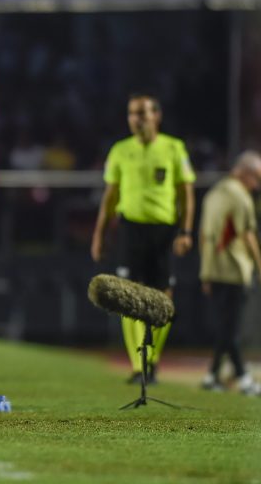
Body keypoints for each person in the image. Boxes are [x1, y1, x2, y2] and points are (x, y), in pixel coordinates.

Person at [91, 94, 195, 384]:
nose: (136, 118)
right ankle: (139, 364)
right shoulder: (120, 150)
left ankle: (153, 360)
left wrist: (186, 231)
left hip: (164, 231)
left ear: (156, 116)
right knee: (128, 296)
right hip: (130, 228)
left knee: (164, 297)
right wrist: (99, 234)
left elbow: (187, 193)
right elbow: (110, 196)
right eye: (132, 113)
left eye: (142, 113)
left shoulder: (174, 148)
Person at [199, 151, 261, 395]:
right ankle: (244, 379)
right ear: (244, 173)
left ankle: (211, 376)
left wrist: (205, 271)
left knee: (226, 327)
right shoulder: (241, 198)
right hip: (235, 270)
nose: (257, 185)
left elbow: (204, 236)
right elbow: (247, 235)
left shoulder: (213, 195)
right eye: (256, 178)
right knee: (231, 329)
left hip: (214, 269)